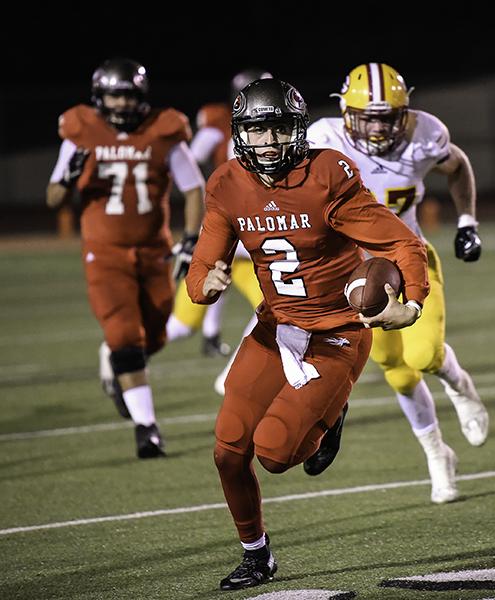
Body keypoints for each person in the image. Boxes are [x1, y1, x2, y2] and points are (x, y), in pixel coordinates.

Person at [185, 78, 430, 591]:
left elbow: (402, 242)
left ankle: (331, 414)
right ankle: (257, 555)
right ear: (240, 134)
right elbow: (201, 271)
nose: (269, 141)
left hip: (338, 331)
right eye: (257, 130)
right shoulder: (227, 184)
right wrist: (205, 282)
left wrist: (411, 303)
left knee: (274, 454)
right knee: (228, 450)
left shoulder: (326, 176)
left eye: (278, 129)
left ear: (296, 130)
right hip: (276, 326)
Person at [305, 62, 489, 503]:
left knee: (425, 355)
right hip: (357, 271)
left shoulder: (426, 133)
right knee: (397, 372)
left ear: (404, 112)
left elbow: (458, 165)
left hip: (410, 256)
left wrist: (467, 222)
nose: (378, 126)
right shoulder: (321, 140)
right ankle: (437, 454)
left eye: (388, 116)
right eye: (367, 116)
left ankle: (460, 385)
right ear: (346, 112)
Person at [46, 58, 205, 458]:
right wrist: (68, 177)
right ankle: (146, 428)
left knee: (155, 335)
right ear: (100, 98)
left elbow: (193, 188)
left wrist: (190, 240)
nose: (120, 105)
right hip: (105, 251)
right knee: (125, 337)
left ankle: (114, 360)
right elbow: (54, 198)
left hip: (154, 250)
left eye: (128, 96)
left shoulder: (163, 129)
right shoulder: (80, 132)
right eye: (114, 96)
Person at [166, 68, 272, 358]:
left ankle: (216, 344)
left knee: (278, 307)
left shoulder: (273, 131)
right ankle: (127, 349)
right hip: (235, 225)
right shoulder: (230, 131)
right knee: (184, 322)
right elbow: (194, 157)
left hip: (252, 237)